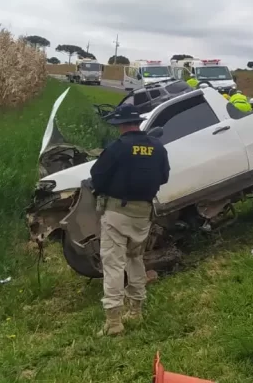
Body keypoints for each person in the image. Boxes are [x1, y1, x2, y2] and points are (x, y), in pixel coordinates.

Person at [89, 105, 170, 337]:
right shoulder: (158, 147)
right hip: (143, 213)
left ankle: (113, 321)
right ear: (138, 123)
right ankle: (136, 310)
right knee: (135, 259)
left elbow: (97, 177)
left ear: (121, 125)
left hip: (117, 213)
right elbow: (164, 177)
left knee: (113, 264)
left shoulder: (117, 148)